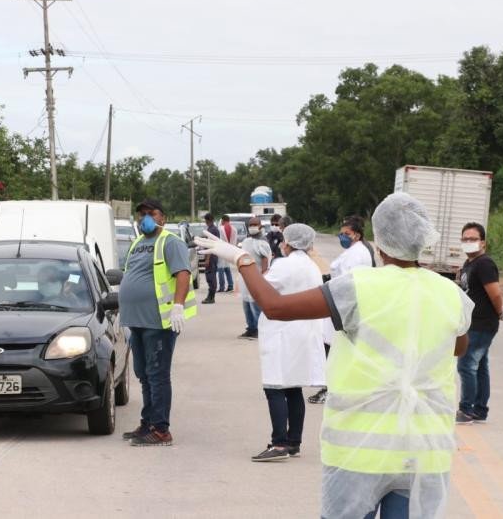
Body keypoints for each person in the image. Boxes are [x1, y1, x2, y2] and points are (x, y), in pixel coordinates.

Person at [197, 192, 474, 519]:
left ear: (379, 242)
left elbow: (275, 307)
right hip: (423, 452)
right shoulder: (449, 293)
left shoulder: (358, 286)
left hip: (359, 453)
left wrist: (243, 260)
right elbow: (457, 347)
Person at [119, 198, 197, 446]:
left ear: (163, 217)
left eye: (150, 213)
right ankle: (148, 423)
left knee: (157, 374)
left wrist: (178, 306)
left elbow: (182, 274)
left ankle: (161, 429)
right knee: (143, 373)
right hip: (136, 320)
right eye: (140, 214)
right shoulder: (138, 243)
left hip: (158, 321)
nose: (145, 218)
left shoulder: (170, 242)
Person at [252, 223, 326, 462]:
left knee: (274, 386)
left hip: (283, 332)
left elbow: (262, 287)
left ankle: (279, 443)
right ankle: (294, 441)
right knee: (293, 387)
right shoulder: (311, 265)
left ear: (289, 243)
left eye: (284, 240)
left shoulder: (285, 264)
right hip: (303, 332)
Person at [309, 215, 376, 405]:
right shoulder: (356, 250)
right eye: (341, 234)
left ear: (356, 234)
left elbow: (351, 282)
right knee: (332, 347)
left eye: (346, 234)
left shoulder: (359, 253)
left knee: (335, 350)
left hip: (344, 306)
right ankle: (332, 387)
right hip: (339, 304)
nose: (342, 237)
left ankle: (330, 389)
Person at [456, 222, 503, 424]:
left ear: (483, 242)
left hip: (482, 323)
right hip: (473, 322)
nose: (468, 242)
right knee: (480, 365)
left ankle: (466, 410)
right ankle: (480, 410)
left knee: (466, 365)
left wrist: (500, 311)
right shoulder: (469, 263)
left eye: (472, 239)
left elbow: (495, 293)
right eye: (465, 239)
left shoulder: (484, 263)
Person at [238, 216, 271, 339]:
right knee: (246, 303)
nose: (252, 227)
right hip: (245, 278)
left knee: (255, 304)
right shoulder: (246, 241)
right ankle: (250, 328)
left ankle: (258, 329)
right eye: (250, 225)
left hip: (256, 277)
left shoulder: (262, 242)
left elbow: (264, 259)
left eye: (254, 225)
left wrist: (262, 276)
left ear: (260, 227)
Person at [201, 213, 221, 304]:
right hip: (213, 255)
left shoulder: (212, 230)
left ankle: (211, 297)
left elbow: (211, 245)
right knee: (210, 276)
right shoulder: (213, 229)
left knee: (210, 276)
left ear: (208, 220)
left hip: (211, 256)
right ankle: (211, 296)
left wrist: (207, 259)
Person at [217, 215, 238, 292]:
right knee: (227, 268)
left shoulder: (220, 228)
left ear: (222, 220)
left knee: (220, 268)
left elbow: (218, 240)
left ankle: (222, 287)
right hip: (230, 250)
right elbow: (235, 240)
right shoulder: (234, 229)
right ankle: (230, 285)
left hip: (222, 249)